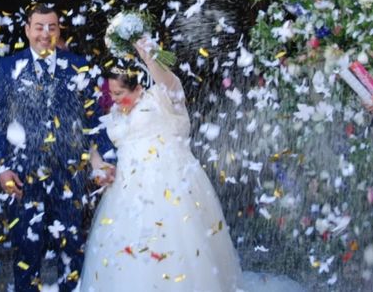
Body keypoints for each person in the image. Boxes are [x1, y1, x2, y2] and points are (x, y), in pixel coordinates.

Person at [80, 39, 304, 292]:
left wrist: (148, 56)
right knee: (130, 249)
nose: (116, 100)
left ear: (139, 87)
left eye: (120, 94)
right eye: (112, 95)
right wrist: (99, 165)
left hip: (170, 184)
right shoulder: (115, 116)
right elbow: (93, 146)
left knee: (178, 243)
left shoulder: (160, 99)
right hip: (127, 190)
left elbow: (170, 83)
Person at [0, 4, 113, 292]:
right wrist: (2, 168)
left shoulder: (79, 66)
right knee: (26, 254)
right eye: (39, 27)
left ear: (59, 31)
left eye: (52, 27)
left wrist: (105, 160)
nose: (45, 33)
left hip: (69, 175)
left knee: (72, 252)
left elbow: (95, 120)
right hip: (22, 177)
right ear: (27, 30)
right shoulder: (8, 68)